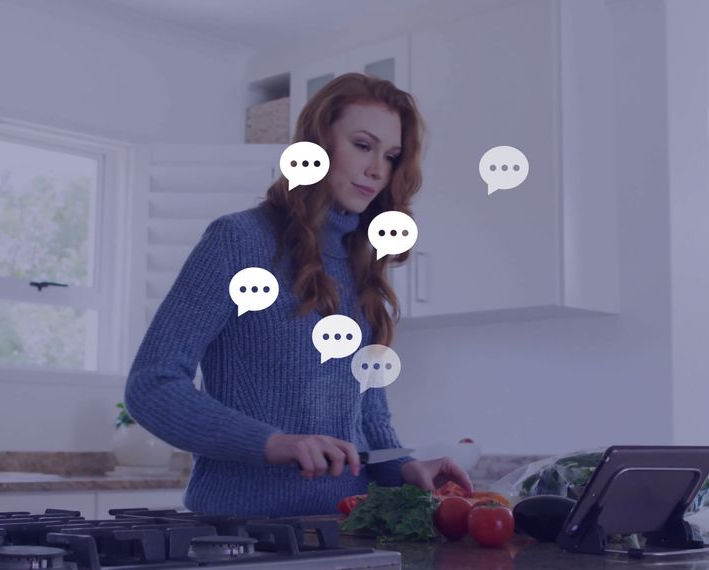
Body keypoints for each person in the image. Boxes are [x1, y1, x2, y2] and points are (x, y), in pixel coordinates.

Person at [125, 73, 473, 517]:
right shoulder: (238, 241)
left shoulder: (359, 264)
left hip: (345, 531)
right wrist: (271, 444)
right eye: (362, 146)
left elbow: (367, 417)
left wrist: (405, 468)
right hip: (243, 538)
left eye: (391, 156)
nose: (376, 170)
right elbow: (152, 386)